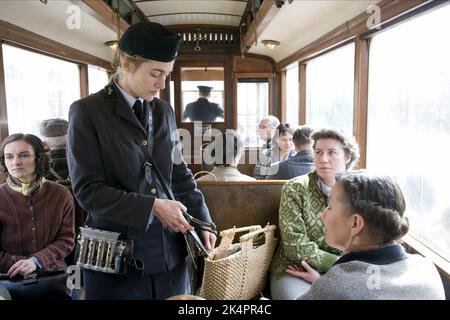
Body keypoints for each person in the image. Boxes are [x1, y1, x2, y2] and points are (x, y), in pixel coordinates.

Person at [67, 22, 216, 300]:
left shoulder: (164, 111)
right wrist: (153, 207)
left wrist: (203, 222)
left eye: (167, 75)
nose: (162, 84)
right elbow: (88, 191)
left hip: (168, 256)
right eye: (155, 73)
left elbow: (179, 175)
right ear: (126, 63)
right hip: (115, 260)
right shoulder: (87, 112)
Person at [290, 171, 445, 300]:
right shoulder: (426, 268)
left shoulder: (336, 286)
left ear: (355, 223)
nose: (322, 215)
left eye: (330, 207)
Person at [270, 128, 359, 300]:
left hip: (344, 272)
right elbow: (295, 245)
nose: (323, 159)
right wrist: (340, 264)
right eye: (318, 152)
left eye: (332, 152)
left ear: (347, 157)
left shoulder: (359, 191)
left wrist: (334, 272)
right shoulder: (296, 188)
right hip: (295, 269)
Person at [0, 134, 75, 298]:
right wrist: (20, 264)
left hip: (53, 279)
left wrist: (36, 261)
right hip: (8, 281)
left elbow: (67, 239)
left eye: (24, 155)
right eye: (9, 157)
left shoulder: (61, 194)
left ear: (39, 159)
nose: (15, 162)